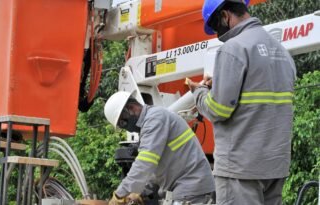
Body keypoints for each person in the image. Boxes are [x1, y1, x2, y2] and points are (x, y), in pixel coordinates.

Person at [188, 0, 296, 204]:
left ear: (225, 16)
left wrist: (199, 92)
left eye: (215, 26)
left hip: (240, 169)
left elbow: (218, 109)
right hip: (275, 166)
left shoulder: (233, 48)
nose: (217, 34)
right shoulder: (282, 52)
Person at [104, 91, 215, 205]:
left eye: (123, 123)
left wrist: (119, 195)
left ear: (132, 108)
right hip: (188, 185)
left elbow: (144, 163)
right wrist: (141, 192)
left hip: (191, 186)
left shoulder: (154, 119)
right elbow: (156, 169)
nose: (126, 128)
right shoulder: (152, 121)